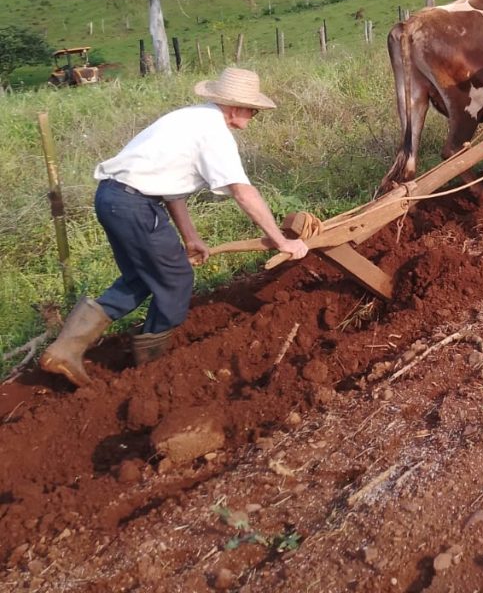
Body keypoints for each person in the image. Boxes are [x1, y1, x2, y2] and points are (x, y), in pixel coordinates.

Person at [40, 67, 309, 387]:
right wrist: (281, 241)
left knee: (141, 278)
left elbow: (171, 188)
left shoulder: (190, 118)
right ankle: (148, 370)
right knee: (177, 280)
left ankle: (67, 348)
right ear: (236, 107)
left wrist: (190, 237)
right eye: (252, 110)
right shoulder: (215, 133)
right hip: (135, 205)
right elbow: (242, 191)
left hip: (112, 198)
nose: (253, 116)